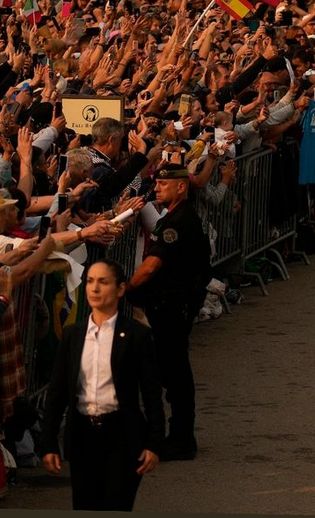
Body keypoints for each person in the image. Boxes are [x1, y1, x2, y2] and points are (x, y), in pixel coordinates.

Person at [38, 258, 165, 510]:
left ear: (120, 289)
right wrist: (48, 442)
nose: (94, 289)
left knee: (116, 503)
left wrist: (154, 443)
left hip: (122, 436)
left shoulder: (136, 336)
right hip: (83, 436)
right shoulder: (73, 335)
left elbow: (151, 393)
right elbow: (58, 392)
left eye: (103, 282)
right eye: (90, 281)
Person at [126, 163, 211, 461]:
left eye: (164, 183)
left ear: (181, 187)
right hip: (169, 305)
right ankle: (175, 434)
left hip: (173, 306)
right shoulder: (173, 217)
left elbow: (152, 266)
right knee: (170, 370)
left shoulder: (179, 220)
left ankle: (181, 438)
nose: (158, 188)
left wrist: (126, 289)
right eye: (157, 183)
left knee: (175, 372)